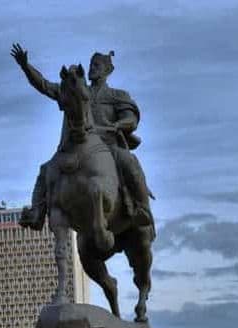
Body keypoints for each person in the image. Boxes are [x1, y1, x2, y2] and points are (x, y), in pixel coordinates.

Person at [10, 43, 155, 231]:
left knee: (129, 160)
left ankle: (142, 208)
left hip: (108, 144)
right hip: (75, 146)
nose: (92, 68)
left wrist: (117, 125)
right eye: (91, 65)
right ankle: (36, 212)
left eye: (97, 65)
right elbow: (44, 85)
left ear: (108, 70)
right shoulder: (75, 89)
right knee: (45, 170)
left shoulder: (117, 95)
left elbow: (131, 119)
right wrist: (25, 66)